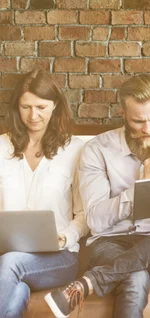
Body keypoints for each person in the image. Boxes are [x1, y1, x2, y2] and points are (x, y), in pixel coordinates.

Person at [44, 74, 150, 318]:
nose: (148, 129)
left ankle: (91, 282)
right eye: (138, 121)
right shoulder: (97, 149)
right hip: (111, 245)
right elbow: (96, 220)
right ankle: (111, 274)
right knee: (135, 274)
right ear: (122, 111)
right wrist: (144, 185)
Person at [0, 69, 88, 318]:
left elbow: (84, 216)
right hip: (6, 255)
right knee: (14, 287)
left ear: (55, 105)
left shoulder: (75, 149)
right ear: (17, 107)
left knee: (10, 264)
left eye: (41, 107)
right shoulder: (0, 147)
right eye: (26, 106)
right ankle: (19, 294)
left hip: (58, 258)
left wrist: (64, 237)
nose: (33, 115)